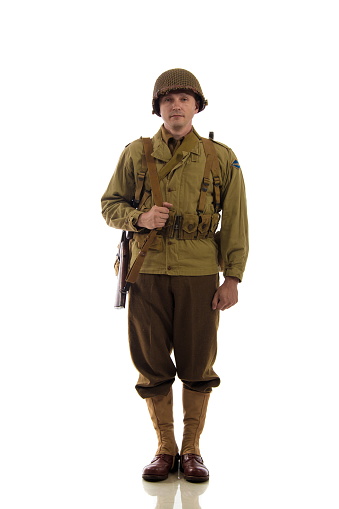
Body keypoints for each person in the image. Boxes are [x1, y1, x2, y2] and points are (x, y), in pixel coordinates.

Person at [101, 68, 249, 483]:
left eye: (184, 99)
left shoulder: (221, 157)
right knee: (149, 361)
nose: (175, 106)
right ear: (158, 109)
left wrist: (233, 277)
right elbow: (109, 205)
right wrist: (140, 217)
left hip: (199, 272)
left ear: (197, 106)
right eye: (167, 100)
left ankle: (193, 450)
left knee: (198, 361)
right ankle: (166, 448)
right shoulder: (136, 152)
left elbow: (235, 219)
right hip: (145, 270)